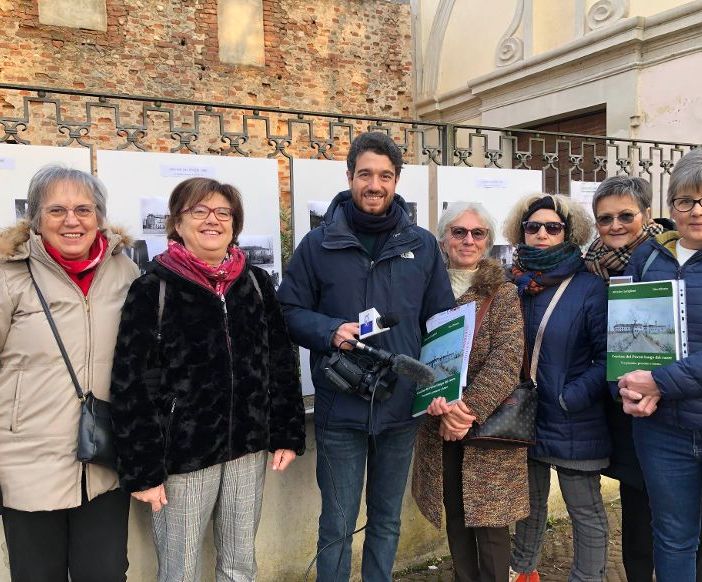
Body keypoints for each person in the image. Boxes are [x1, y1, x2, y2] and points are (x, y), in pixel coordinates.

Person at [277, 131, 454, 581]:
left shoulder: (422, 246)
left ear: (396, 181)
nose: (374, 185)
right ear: (349, 176)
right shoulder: (318, 245)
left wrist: (440, 387)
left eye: (384, 176)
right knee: (336, 526)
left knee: (387, 520)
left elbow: (441, 322)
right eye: (365, 174)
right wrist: (328, 331)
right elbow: (287, 311)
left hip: (401, 409)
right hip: (341, 407)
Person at [110, 177, 305, 582]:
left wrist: (286, 432)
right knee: (179, 570)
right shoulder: (153, 288)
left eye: (222, 212)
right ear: (178, 223)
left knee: (239, 565)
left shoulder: (255, 283)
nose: (212, 220)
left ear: (234, 224)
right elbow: (131, 383)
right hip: (183, 457)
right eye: (199, 211)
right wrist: (143, 470)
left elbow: (280, 360)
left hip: (247, 448)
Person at [0, 165, 138, 582]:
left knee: (105, 574)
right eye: (56, 210)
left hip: (103, 461)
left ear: (99, 216)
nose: (71, 221)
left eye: (83, 209)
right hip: (28, 465)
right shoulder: (10, 275)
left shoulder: (124, 272)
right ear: (36, 219)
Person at [412, 202, 529, 582]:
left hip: (485, 422)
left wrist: (465, 411)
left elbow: (507, 359)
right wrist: (435, 402)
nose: (468, 240)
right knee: (457, 516)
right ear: (443, 239)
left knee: (491, 523)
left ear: (487, 241)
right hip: (437, 420)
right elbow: (412, 351)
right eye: (458, 232)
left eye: (477, 233)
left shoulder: (503, 293)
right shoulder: (424, 292)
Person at [505, 193, 610, 582]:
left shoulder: (589, 287)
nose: (542, 234)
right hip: (523, 416)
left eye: (553, 227)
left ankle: (587, 577)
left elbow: (608, 357)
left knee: (584, 510)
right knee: (528, 507)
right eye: (533, 227)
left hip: (572, 417)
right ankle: (523, 572)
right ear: (522, 232)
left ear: (569, 233)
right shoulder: (512, 284)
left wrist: (571, 397)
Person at [618, 149, 702, 582]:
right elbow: (625, 334)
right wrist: (629, 387)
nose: (696, 211)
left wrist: (660, 382)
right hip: (661, 430)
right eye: (686, 201)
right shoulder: (647, 258)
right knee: (672, 537)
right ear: (671, 207)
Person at [584, 177, 670, 581]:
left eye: (625, 215)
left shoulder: (671, 258)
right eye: (605, 218)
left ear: (647, 215)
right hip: (623, 404)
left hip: (672, 402)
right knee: (635, 508)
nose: (615, 225)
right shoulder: (591, 268)